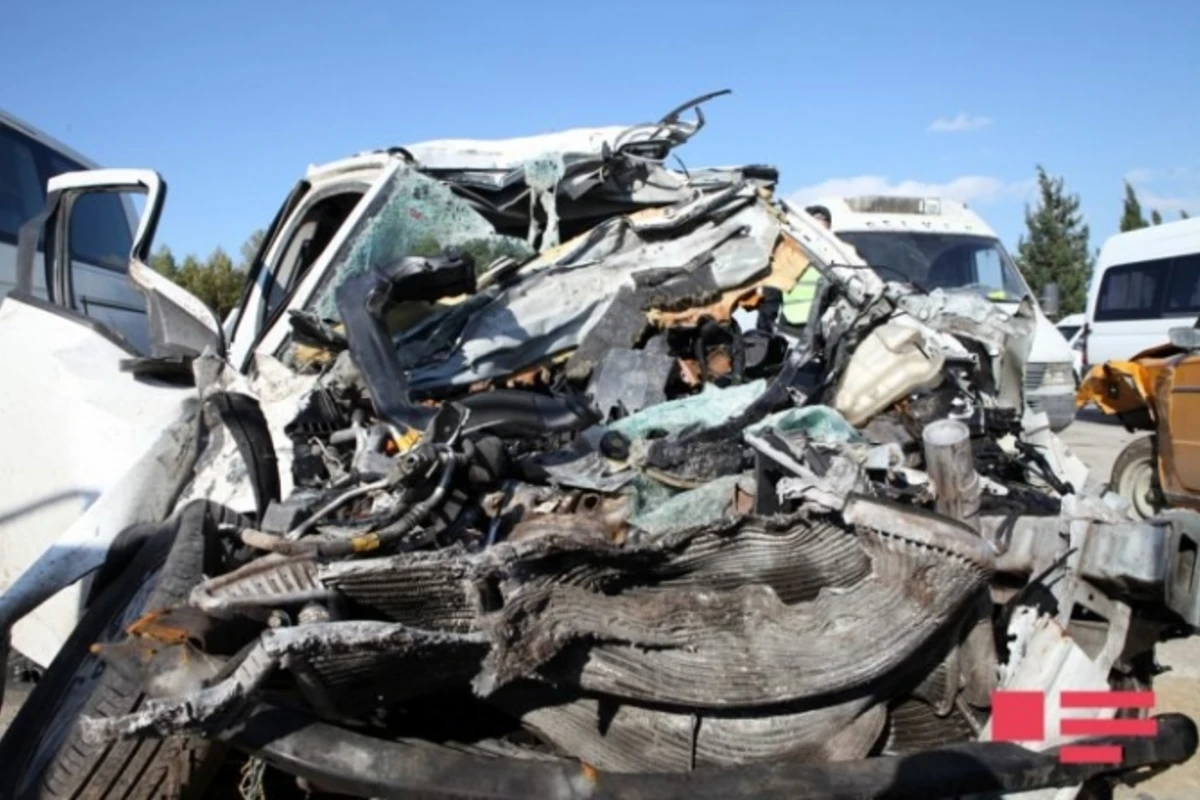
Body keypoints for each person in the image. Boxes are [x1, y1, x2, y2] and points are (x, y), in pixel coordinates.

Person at [780, 205, 833, 328]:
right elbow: (772, 295)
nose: (819, 236)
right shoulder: (789, 253)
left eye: (823, 231)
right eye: (815, 230)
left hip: (823, 325)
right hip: (793, 326)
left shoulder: (834, 256)